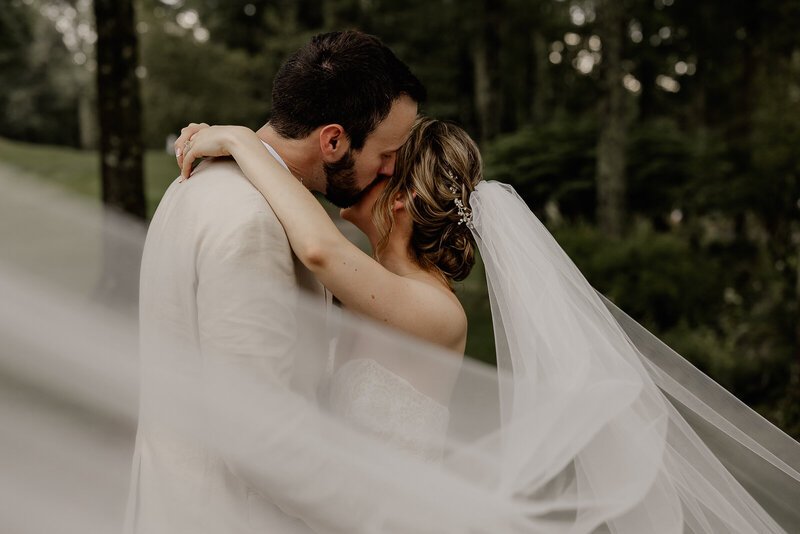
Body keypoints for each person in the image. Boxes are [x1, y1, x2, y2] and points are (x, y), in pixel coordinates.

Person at [176, 114, 800, 533]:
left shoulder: (432, 310)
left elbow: (318, 249)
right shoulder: (374, 279)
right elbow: (306, 202)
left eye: (383, 165)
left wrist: (239, 142)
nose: (361, 169)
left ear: (400, 197)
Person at [126, 29, 426, 534]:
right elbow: (260, 440)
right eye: (388, 150)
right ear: (333, 140)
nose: (393, 167)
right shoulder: (252, 221)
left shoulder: (195, 182)